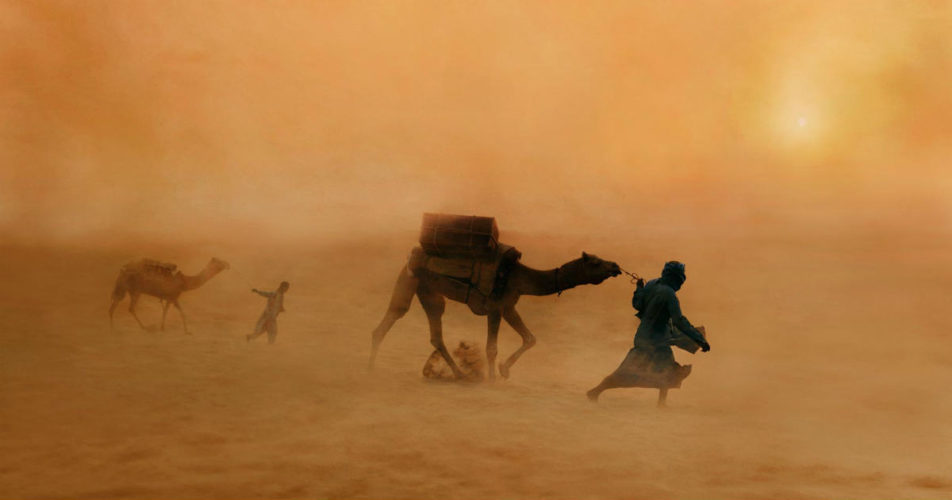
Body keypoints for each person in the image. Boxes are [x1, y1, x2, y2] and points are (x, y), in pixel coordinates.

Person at [586, 261, 710, 407]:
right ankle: (595, 391)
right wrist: (699, 339)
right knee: (626, 373)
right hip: (656, 341)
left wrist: (639, 289)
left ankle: (661, 403)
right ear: (677, 278)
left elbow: (638, 305)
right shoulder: (669, 295)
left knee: (667, 369)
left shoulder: (651, 284)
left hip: (644, 336)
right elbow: (679, 321)